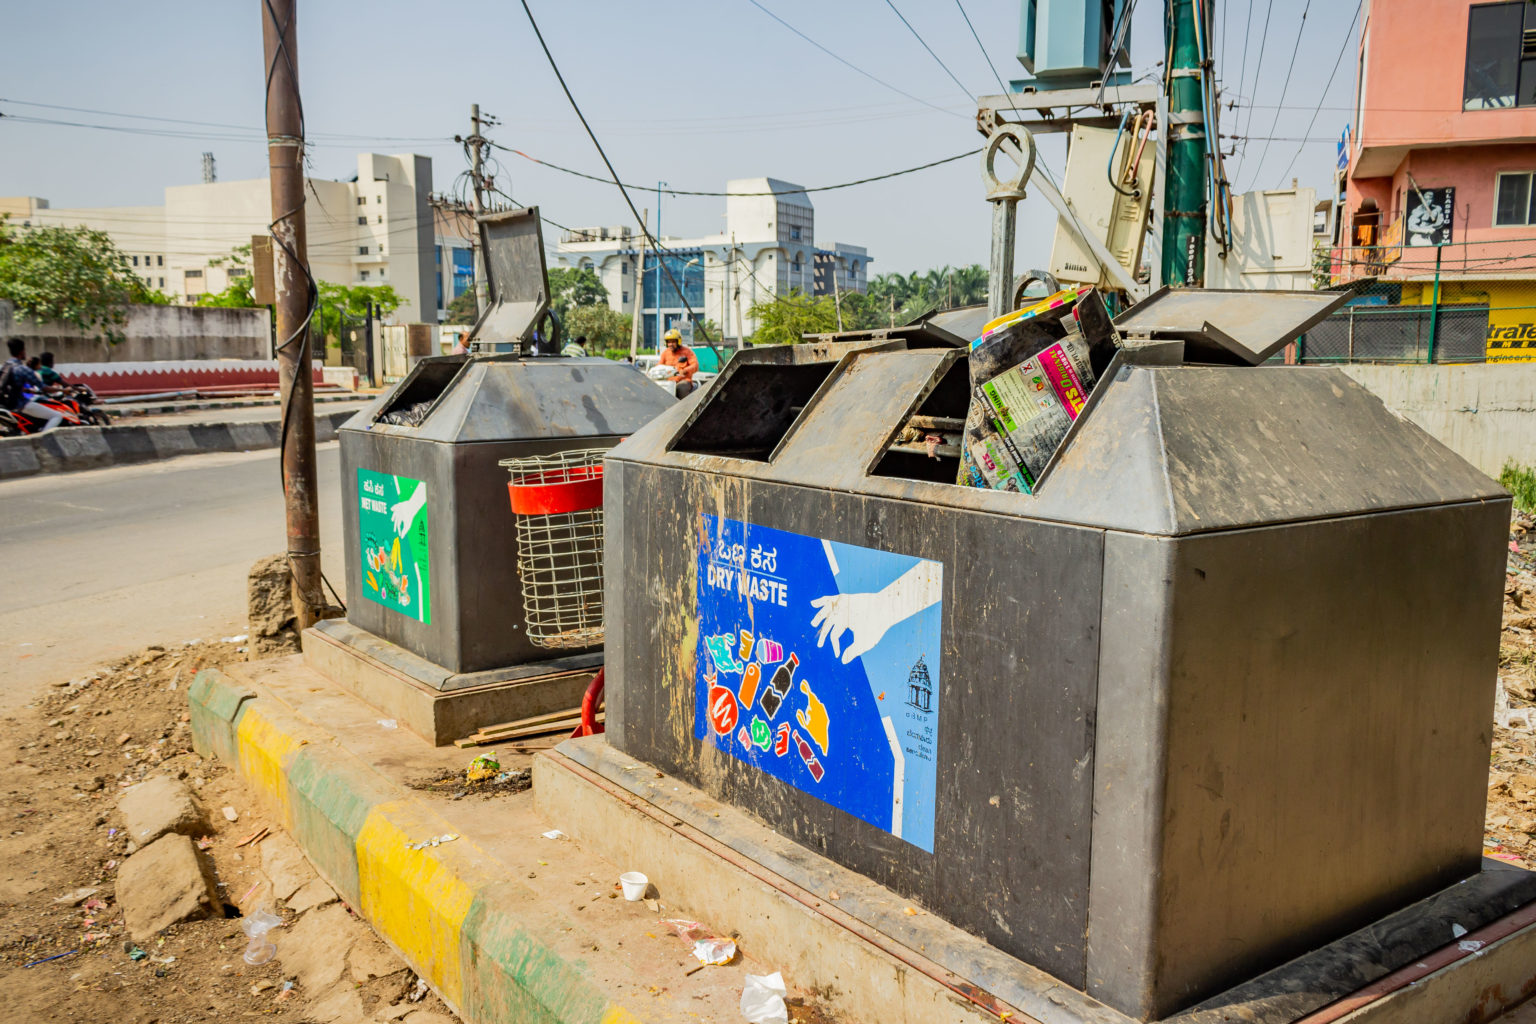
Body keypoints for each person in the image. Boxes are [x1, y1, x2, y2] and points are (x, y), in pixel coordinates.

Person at [1, 338, 64, 430]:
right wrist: (63, 390)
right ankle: (44, 439)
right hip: (21, 405)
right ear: (22, 351)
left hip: (6, 404)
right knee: (57, 416)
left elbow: (11, 385)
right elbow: (44, 388)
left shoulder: (5, 366)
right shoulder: (22, 369)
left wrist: (27, 390)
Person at [659, 328, 699, 398]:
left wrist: (685, 370)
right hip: (669, 382)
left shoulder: (687, 352)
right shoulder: (665, 353)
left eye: (673, 342)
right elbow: (659, 365)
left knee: (680, 388)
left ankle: (686, 408)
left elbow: (695, 365)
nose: (670, 344)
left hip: (683, 381)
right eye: (668, 342)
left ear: (678, 341)